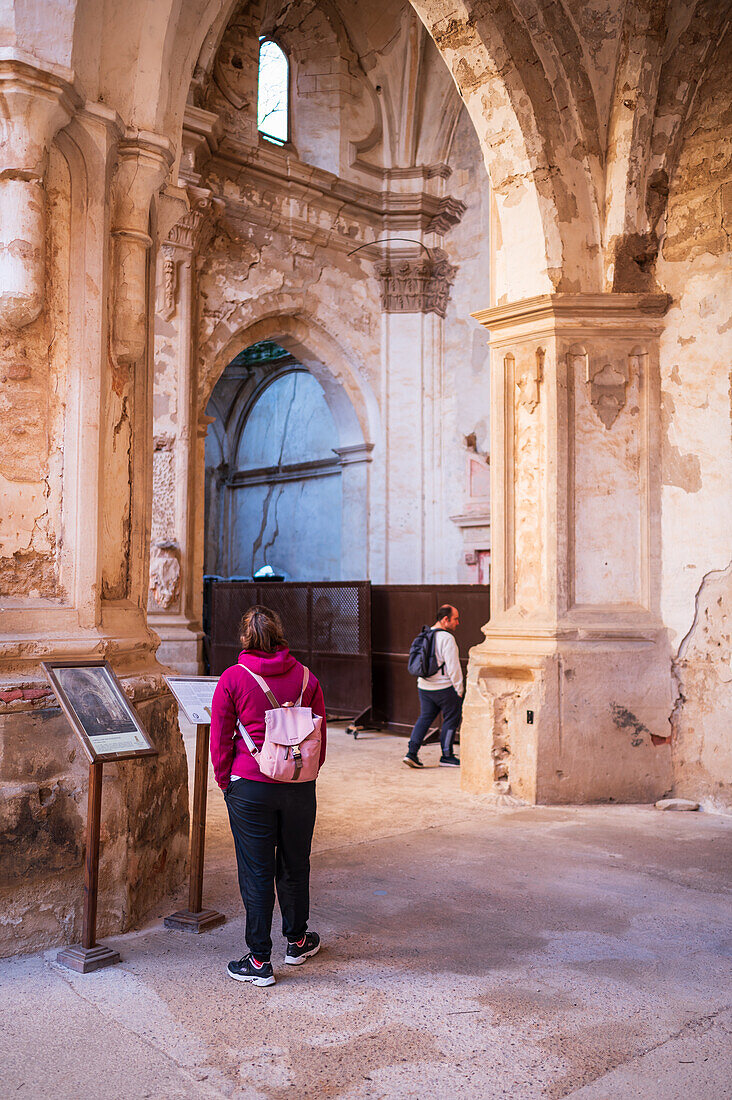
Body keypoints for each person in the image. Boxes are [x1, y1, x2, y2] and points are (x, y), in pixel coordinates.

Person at [210, 605, 327, 987]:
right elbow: (318, 740)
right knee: (296, 864)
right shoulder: (307, 678)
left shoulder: (233, 678)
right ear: (280, 634)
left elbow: (220, 736)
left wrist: (226, 780)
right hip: (298, 786)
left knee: (256, 871)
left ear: (244, 638)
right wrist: (306, 774)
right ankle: (296, 941)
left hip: (251, 785)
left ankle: (259, 960)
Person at [403, 604, 463, 769]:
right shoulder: (447, 638)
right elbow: (453, 667)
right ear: (445, 620)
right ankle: (447, 756)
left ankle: (411, 753)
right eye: (455, 619)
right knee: (451, 720)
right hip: (444, 689)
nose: (458, 623)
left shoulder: (424, 634)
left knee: (425, 718)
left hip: (424, 687)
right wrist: (459, 690)